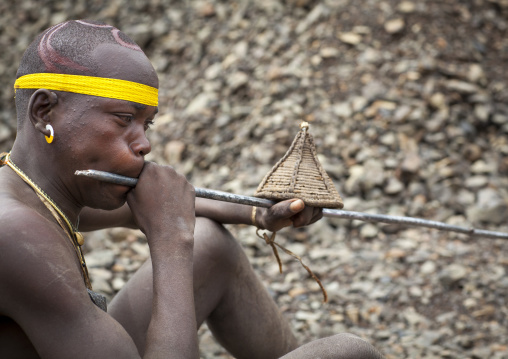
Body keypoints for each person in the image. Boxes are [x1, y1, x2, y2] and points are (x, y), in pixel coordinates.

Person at [0, 20, 383, 358]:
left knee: (209, 244)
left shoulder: (32, 185)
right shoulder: (16, 233)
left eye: (145, 125)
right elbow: (165, 222)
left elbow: (147, 205)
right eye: (123, 119)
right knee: (350, 352)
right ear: (44, 112)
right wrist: (171, 242)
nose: (144, 144)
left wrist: (258, 212)